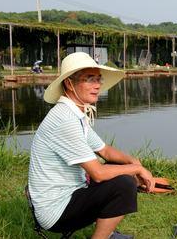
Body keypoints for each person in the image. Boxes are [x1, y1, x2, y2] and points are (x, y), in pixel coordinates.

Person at [28, 52, 155, 239]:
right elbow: (98, 173)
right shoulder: (64, 120)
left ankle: (108, 231)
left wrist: (132, 162)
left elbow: (105, 150)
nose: (97, 85)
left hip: (72, 193)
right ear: (69, 84)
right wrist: (136, 169)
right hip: (56, 211)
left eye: (98, 79)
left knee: (122, 169)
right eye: (89, 79)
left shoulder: (74, 113)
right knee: (125, 184)